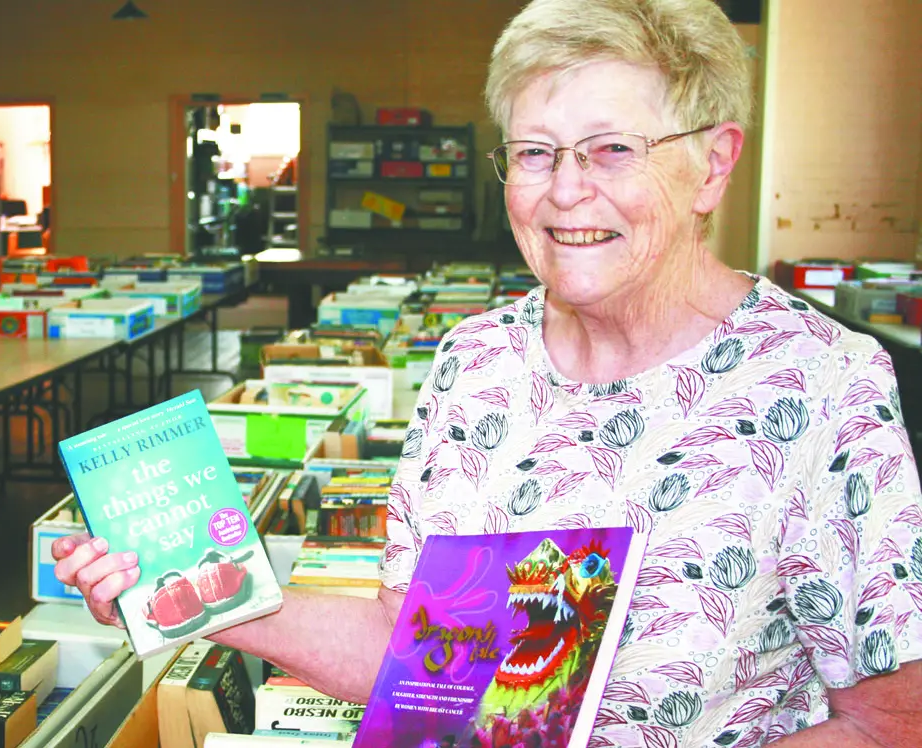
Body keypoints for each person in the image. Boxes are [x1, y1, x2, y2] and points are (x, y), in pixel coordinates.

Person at [54, 0, 922, 744]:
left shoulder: (820, 384)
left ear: (714, 162)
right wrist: (204, 588)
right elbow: (424, 662)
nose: (567, 191)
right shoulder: (476, 363)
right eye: (536, 153)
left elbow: (890, 723)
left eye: (612, 149)